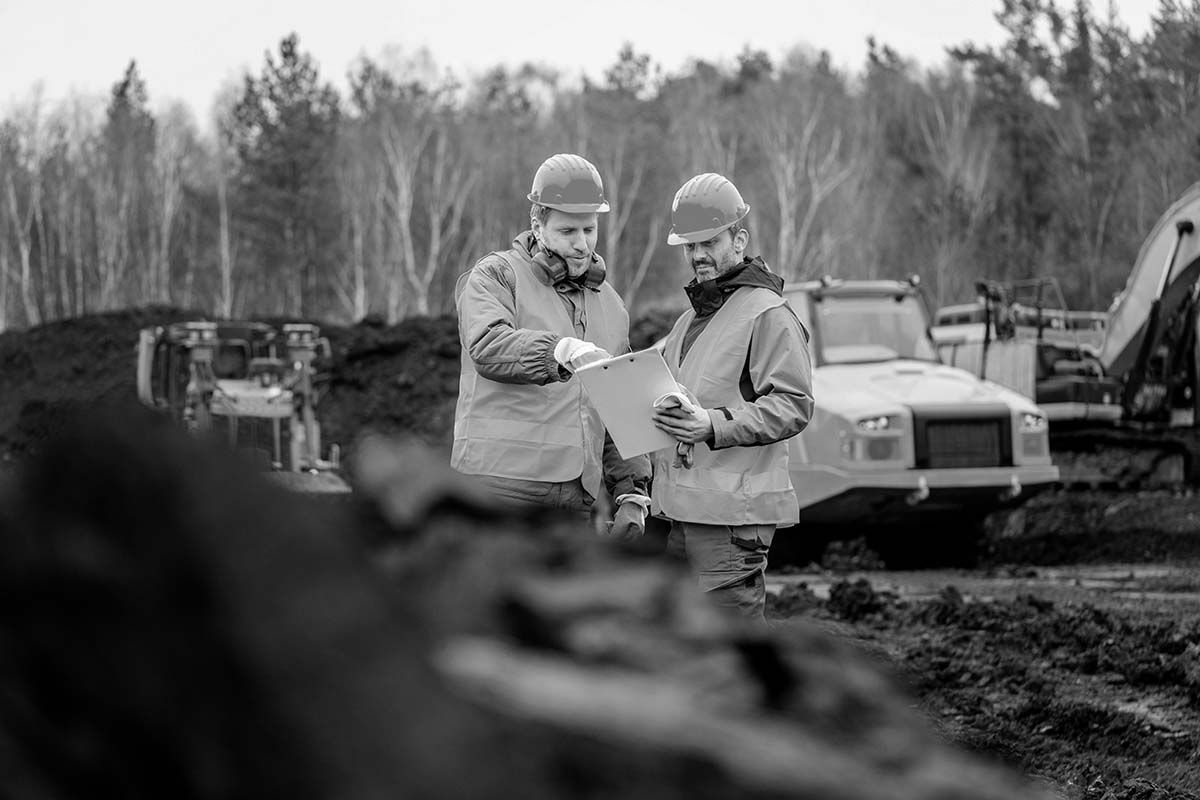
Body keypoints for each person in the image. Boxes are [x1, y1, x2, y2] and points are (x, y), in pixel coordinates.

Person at [452, 153, 652, 538]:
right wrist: (560, 350)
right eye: (567, 232)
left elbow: (619, 408)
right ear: (537, 224)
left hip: (573, 500)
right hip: (500, 491)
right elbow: (488, 345)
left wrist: (631, 494)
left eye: (589, 230)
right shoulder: (496, 275)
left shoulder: (610, 304)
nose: (582, 245)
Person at [650, 173, 815, 617]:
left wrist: (712, 424)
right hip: (681, 520)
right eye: (690, 246)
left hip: (729, 528)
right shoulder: (689, 323)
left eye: (710, 242)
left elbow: (792, 405)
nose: (698, 255)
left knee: (734, 662)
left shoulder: (768, 314)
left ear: (739, 240)